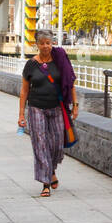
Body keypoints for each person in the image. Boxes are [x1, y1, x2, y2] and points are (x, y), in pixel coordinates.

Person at [17, 29, 73, 197]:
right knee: (40, 144)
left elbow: (71, 83)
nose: (45, 46)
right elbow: (24, 91)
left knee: (56, 144)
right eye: (42, 43)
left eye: (48, 43)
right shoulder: (31, 65)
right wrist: (21, 115)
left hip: (56, 108)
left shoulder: (59, 61)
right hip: (36, 108)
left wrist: (75, 105)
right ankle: (45, 182)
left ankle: (51, 170)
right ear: (37, 45)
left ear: (52, 43)